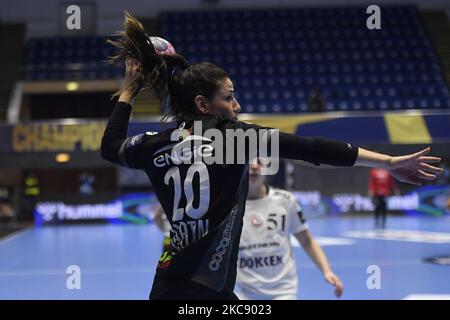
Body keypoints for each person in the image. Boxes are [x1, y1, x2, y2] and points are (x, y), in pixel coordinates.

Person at [100, 12, 443, 300]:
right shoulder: (235, 138)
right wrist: (388, 162)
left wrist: (130, 88)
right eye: (229, 97)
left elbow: (110, 145)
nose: (237, 106)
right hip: (210, 286)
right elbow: (315, 149)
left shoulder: (153, 144)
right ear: (203, 105)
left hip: (167, 285)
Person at [235, 161, 343, 300]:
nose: (255, 167)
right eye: (249, 163)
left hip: (282, 291)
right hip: (243, 292)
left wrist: (326, 271)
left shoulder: (285, 200)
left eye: (260, 163)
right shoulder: (232, 204)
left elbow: (307, 241)